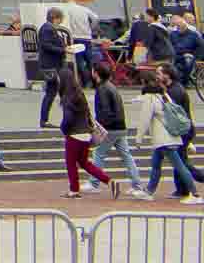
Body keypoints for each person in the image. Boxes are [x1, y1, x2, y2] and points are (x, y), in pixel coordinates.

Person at [140, 68, 200, 200]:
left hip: (165, 139)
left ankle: (194, 193)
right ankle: (149, 191)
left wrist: (138, 139)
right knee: (157, 164)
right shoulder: (165, 94)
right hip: (168, 137)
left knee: (180, 166)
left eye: (159, 73)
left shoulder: (152, 97)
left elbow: (144, 120)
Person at [61, 63, 117, 197]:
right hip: (86, 133)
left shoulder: (68, 96)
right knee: (84, 162)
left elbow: (68, 118)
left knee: (71, 163)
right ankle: (109, 181)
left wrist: (63, 128)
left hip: (74, 134)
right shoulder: (80, 93)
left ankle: (74, 190)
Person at [96, 63, 148, 198]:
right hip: (120, 126)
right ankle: (136, 184)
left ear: (96, 73)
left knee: (99, 153)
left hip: (110, 128)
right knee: (126, 156)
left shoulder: (102, 88)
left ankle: (93, 182)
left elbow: (105, 111)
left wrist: (99, 126)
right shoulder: (112, 87)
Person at [35, 10, 73, 128]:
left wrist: (63, 48)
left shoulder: (48, 28)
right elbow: (47, 45)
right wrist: (63, 50)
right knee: (53, 92)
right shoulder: (47, 29)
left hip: (51, 65)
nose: (61, 21)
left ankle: (47, 120)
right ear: (55, 18)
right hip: (51, 66)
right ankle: (45, 120)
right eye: (61, 18)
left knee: (53, 92)